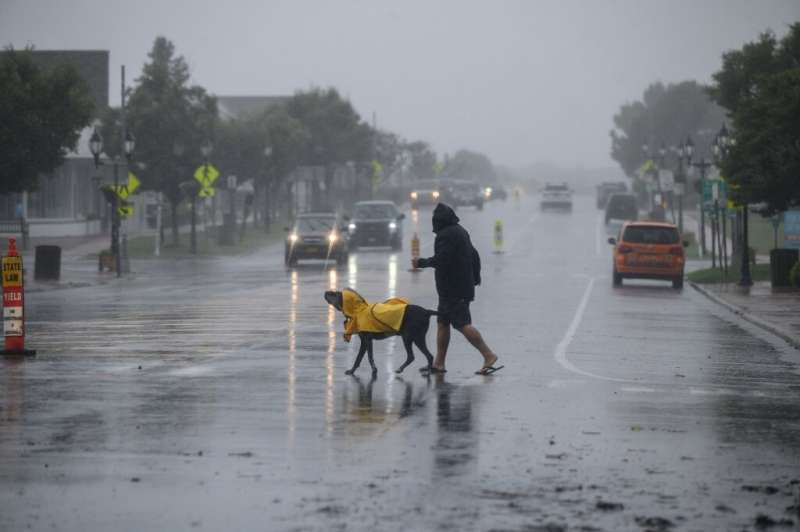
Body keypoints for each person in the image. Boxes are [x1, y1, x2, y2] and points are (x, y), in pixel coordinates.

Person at [411, 203, 502, 375]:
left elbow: (442, 260)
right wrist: (475, 278)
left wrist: (422, 263)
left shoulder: (445, 235)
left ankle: (489, 354)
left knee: (462, 324)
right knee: (442, 323)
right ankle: (439, 363)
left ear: (438, 222)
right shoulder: (461, 231)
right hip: (455, 289)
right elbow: (474, 255)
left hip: (454, 289)